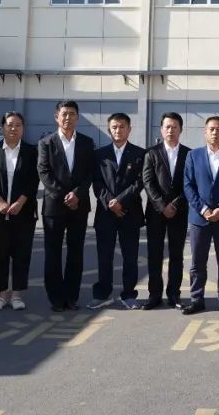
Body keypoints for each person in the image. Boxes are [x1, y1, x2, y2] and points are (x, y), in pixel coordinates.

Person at [37, 100, 96, 312]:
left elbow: (90, 172)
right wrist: (64, 195)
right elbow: (44, 172)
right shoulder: (46, 143)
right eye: (64, 114)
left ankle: (71, 296)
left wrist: (77, 194)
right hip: (54, 206)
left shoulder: (87, 143)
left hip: (79, 205)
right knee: (53, 253)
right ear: (57, 117)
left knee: (75, 252)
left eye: (72, 113)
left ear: (78, 117)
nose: (68, 117)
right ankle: (56, 298)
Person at [181, 116, 219, 316]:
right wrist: (203, 209)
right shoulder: (193, 155)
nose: (215, 132)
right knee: (197, 261)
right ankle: (196, 299)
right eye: (211, 129)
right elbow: (188, 185)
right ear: (205, 132)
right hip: (199, 218)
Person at [0, 111, 38, 312]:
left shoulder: (31, 151)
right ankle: (2, 294)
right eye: (10, 125)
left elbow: (34, 179)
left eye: (18, 125)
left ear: (23, 128)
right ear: (3, 127)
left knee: (21, 254)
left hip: (24, 211)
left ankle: (17, 294)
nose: (14, 128)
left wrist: (21, 201)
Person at [88, 113, 146, 310]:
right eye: (114, 127)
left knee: (130, 257)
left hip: (130, 212)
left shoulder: (140, 154)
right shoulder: (99, 154)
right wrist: (109, 202)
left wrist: (121, 201)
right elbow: (96, 182)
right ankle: (102, 294)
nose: (118, 130)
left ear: (129, 129)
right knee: (104, 256)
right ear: (109, 129)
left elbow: (140, 182)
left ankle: (128, 295)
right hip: (106, 213)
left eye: (122, 127)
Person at [141, 112, 190, 309]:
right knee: (155, 254)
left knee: (176, 255)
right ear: (161, 130)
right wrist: (162, 205)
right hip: (155, 212)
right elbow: (148, 182)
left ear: (181, 129)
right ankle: (154, 295)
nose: (171, 130)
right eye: (167, 127)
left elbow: (190, 184)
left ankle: (174, 295)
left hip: (179, 212)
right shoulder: (151, 153)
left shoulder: (189, 154)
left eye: (174, 127)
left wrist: (175, 205)